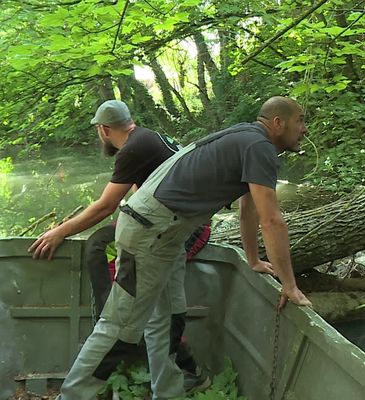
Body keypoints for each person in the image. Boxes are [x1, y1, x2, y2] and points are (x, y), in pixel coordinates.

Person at [54, 96, 313, 400]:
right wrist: (290, 285)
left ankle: (168, 392)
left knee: (168, 317)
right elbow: (272, 222)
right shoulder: (257, 146)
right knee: (120, 329)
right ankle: (70, 397)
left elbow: (250, 212)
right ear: (278, 123)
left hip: (167, 233)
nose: (305, 129)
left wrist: (254, 259)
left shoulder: (247, 139)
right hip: (150, 232)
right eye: (300, 120)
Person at [28, 100, 209, 392]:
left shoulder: (134, 148)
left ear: (103, 130)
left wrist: (59, 232)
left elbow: (105, 206)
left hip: (180, 232)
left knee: (122, 314)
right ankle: (180, 380)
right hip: (184, 227)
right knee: (163, 313)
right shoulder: (149, 138)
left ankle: (104, 330)